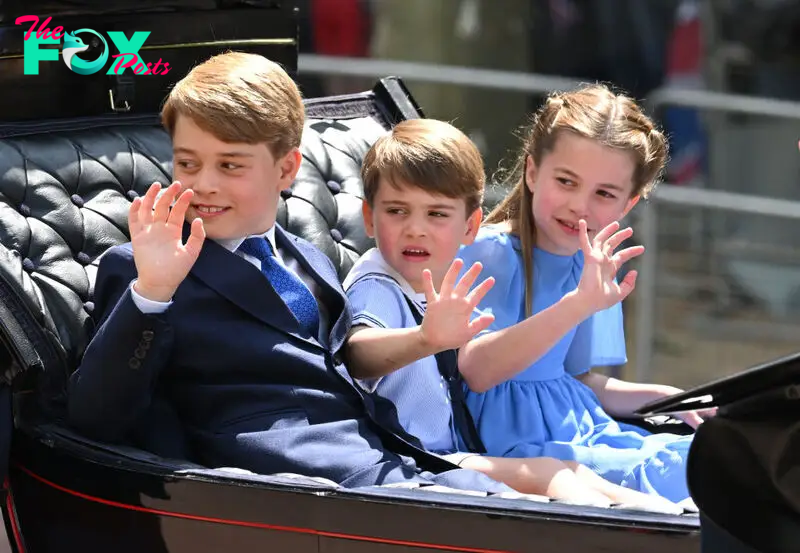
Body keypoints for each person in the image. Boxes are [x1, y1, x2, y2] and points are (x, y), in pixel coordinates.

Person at [66, 51, 513, 494]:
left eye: (230, 165)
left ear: (287, 169)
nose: (204, 183)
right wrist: (152, 292)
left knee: (555, 506)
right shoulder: (143, 268)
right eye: (188, 163)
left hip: (390, 459)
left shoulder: (308, 258)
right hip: (289, 485)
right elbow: (95, 417)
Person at [341, 117, 683, 512]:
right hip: (424, 457)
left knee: (577, 473)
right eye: (398, 211)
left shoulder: (434, 278)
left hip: (465, 447)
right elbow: (357, 352)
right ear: (369, 217)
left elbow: (577, 379)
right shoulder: (382, 282)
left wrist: (666, 399)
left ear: (467, 225)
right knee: (556, 474)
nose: (416, 229)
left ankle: (674, 521)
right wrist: (424, 339)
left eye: (436, 215)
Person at [454, 84, 713, 504]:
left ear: (627, 204)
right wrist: (578, 304)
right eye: (566, 181)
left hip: (587, 431)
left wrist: (666, 398)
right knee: (695, 474)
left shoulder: (592, 262)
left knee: (703, 454)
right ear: (533, 172)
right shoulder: (488, 253)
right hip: (526, 451)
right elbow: (478, 372)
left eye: (604, 194)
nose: (580, 205)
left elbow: (580, 382)